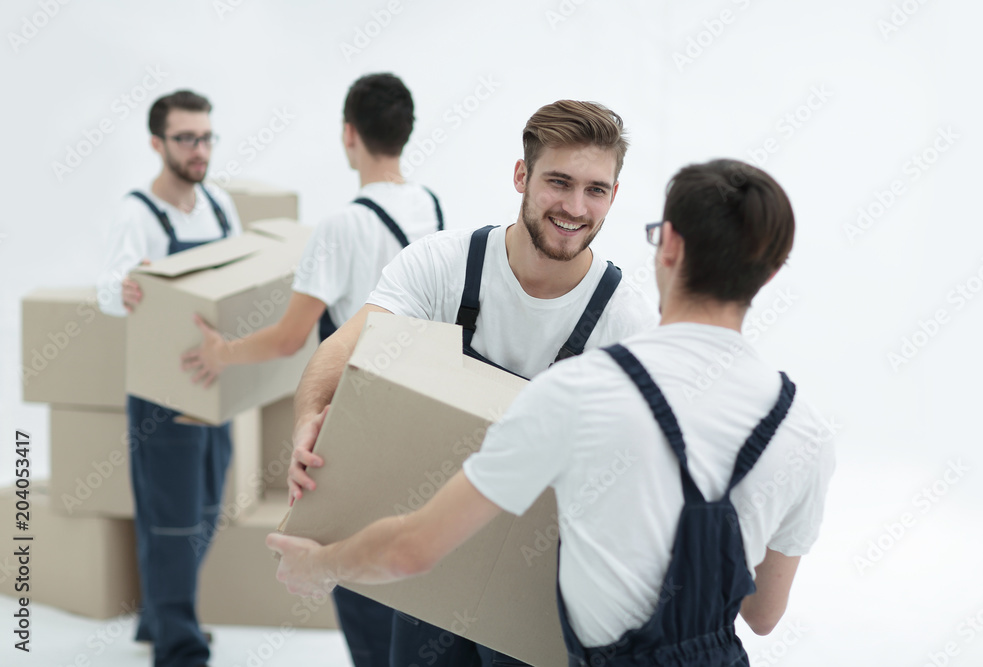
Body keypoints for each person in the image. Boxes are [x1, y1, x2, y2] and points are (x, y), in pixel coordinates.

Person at [267, 159, 836, 667]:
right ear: (771, 273)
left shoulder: (582, 390)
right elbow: (762, 616)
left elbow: (415, 549)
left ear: (669, 246)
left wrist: (320, 565)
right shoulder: (804, 431)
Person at [277, 99, 659, 666]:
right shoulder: (443, 265)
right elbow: (343, 351)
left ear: (614, 195)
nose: (576, 207)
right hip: (429, 552)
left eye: (596, 190)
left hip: (535, 581)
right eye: (559, 182)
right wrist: (310, 419)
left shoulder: (626, 322)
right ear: (521, 175)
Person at [179, 72, 443, 667]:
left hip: (359, 425)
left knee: (355, 575)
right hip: (422, 418)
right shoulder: (429, 206)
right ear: (406, 133)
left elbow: (289, 338)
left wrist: (220, 352)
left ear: (349, 134)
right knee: (410, 576)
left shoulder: (340, 227)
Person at [96, 90, 243, 667]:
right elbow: (108, 289)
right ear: (158, 144)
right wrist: (126, 288)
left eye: (206, 137)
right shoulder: (136, 212)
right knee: (171, 519)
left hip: (215, 382)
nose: (199, 149)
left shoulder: (221, 207)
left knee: (206, 506)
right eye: (186, 138)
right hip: (162, 392)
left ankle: (157, 616)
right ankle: (178, 647)